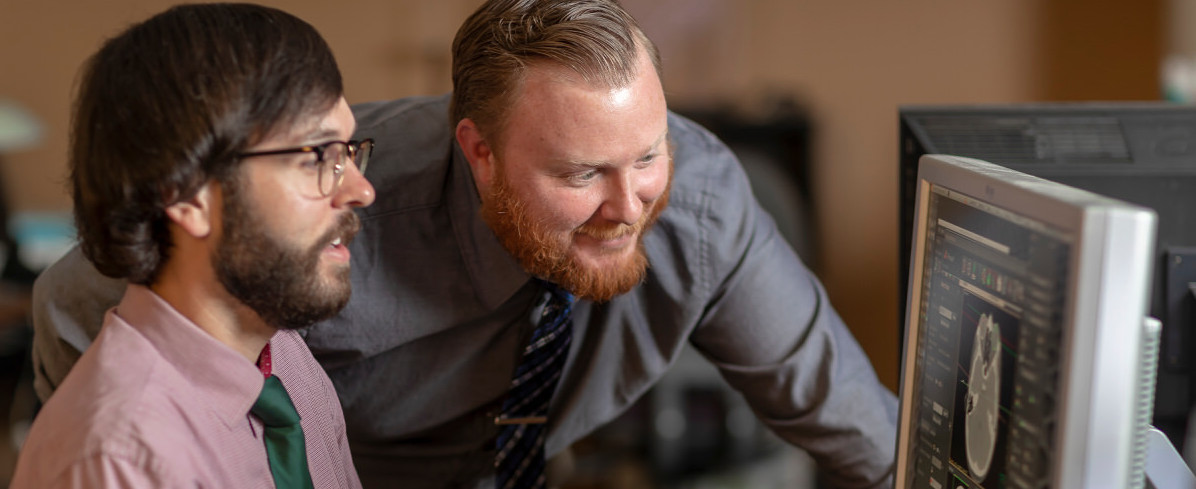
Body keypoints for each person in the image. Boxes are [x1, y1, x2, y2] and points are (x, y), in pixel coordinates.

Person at [31, 0, 897, 487]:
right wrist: (149, 455)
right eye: (581, 173)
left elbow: (852, 417)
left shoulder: (700, 204)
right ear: (477, 151)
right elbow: (84, 304)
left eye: (648, 152)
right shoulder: (330, 223)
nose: (628, 205)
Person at [14, 3, 372, 487]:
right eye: (317, 156)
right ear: (187, 195)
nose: (361, 191)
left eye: (350, 153)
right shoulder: (121, 460)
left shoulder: (285, 358)